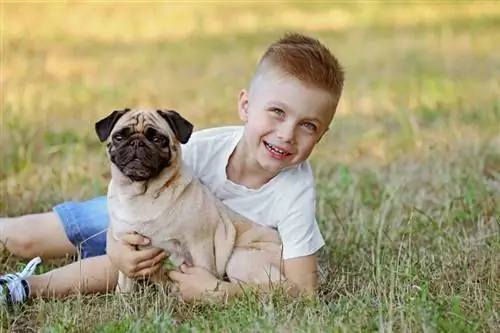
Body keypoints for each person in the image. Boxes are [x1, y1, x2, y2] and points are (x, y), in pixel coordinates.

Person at [0, 32, 344, 306]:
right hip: (130, 210)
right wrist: (114, 244)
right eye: (277, 112)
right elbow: (125, 185)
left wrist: (222, 292)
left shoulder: (295, 191)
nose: (286, 134)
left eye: (308, 126)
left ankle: (24, 289)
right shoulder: (199, 148)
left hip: (174, 244)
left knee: (136, 264)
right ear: (245, 105)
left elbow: (303, 289)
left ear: (322, 136)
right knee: (23, 237)